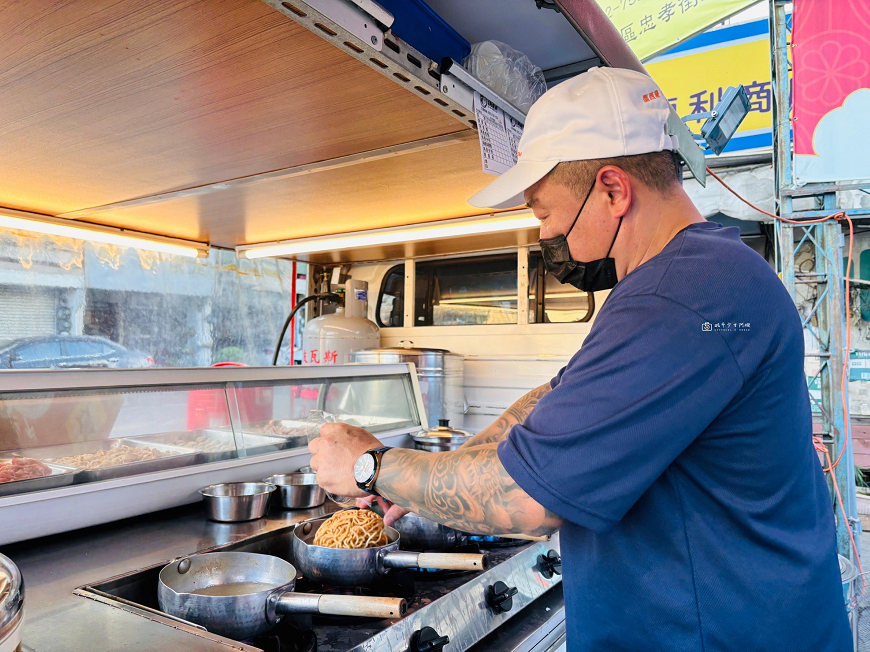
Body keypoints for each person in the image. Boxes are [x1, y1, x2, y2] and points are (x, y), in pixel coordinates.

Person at [308, 67, 852, 651]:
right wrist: (431, 475)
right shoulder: (692, 277)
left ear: (614, 191)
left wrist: (373, 466)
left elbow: (528, 497)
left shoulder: (681, 297)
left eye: (544, 213)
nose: (545, 235)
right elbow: (549, 400)